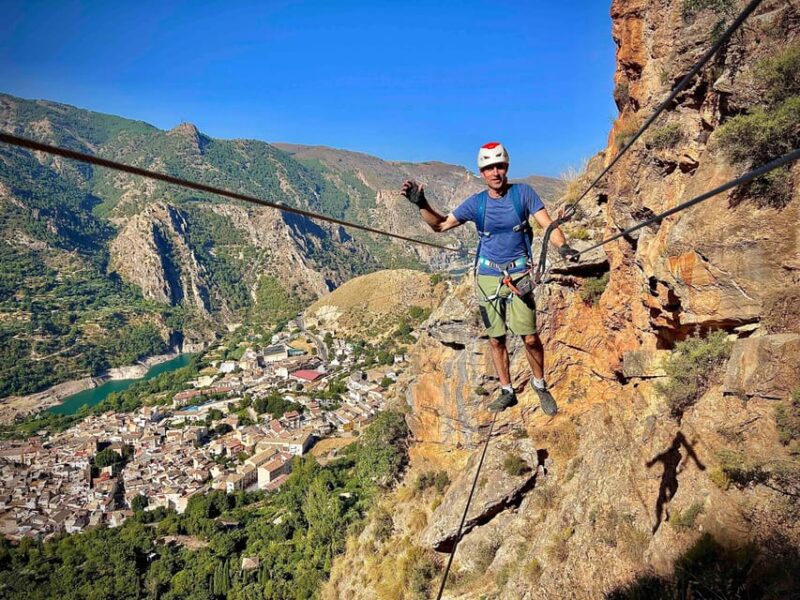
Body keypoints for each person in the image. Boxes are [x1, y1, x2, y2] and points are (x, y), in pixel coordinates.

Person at [401, 141, 579, 415]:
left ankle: (540, 384)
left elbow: (548, 225)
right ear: (482, 173)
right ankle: (507, 390)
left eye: (500, 166)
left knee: (530, 338)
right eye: (489, 168)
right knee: (496, 339)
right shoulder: (477, 204)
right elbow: (440, 225)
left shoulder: (523, 194)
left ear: (506, 168)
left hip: (519, 275)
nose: (495, 172)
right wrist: (421, 204)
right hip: (488, 276)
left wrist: (564, 247)